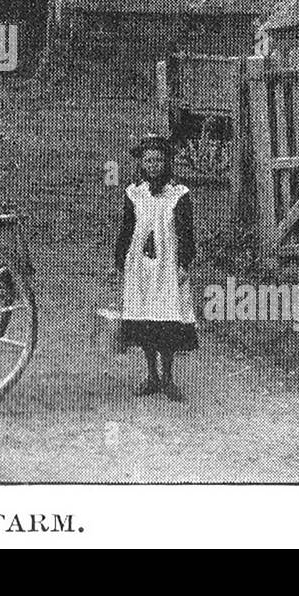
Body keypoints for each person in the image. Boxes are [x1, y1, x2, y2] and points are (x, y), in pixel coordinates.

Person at [113, 133, 198, 402]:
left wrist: (184, 263)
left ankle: (168, 379)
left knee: (167, 318)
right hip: (140, 266)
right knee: (145, 319)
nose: (153, 165)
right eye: (148, 161)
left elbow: (186, 233)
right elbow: (127, 228)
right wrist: (120, 260)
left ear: (167, 162)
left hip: (167, 266)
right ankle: (151, 376)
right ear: (142, 163)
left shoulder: (179, 194)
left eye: (159, 160)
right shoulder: (134, 193)